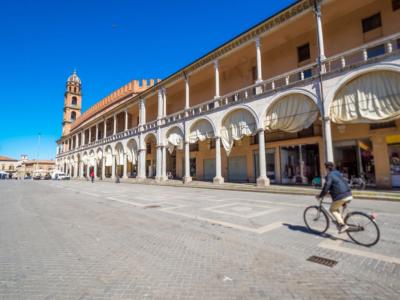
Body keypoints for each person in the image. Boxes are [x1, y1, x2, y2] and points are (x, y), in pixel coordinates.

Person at [317, 162, 353, 233]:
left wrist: (320, 195)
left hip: (341, 196)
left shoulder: (329, 175)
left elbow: (326, 186)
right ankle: (340, 221)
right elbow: (337, 185)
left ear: (327, 168)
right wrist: (328, 193)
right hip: (348, 193)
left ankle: (342, 225)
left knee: (332, 209)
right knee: (336, 206)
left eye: (325, 168)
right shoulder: (338, 173)